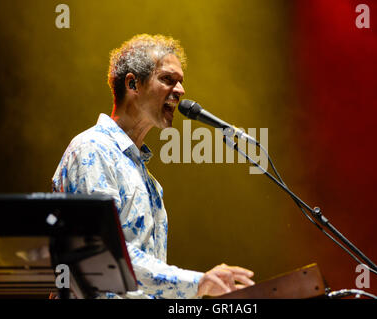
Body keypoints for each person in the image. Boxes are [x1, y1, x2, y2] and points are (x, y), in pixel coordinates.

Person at [51, 34, 255, 299]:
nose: (180, 91)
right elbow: (105, 255)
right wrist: (198, 282)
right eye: (168, 79)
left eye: (181, 82)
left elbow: (143, 281)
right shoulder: (92, 150)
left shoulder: (148, 180)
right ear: (133, 83)